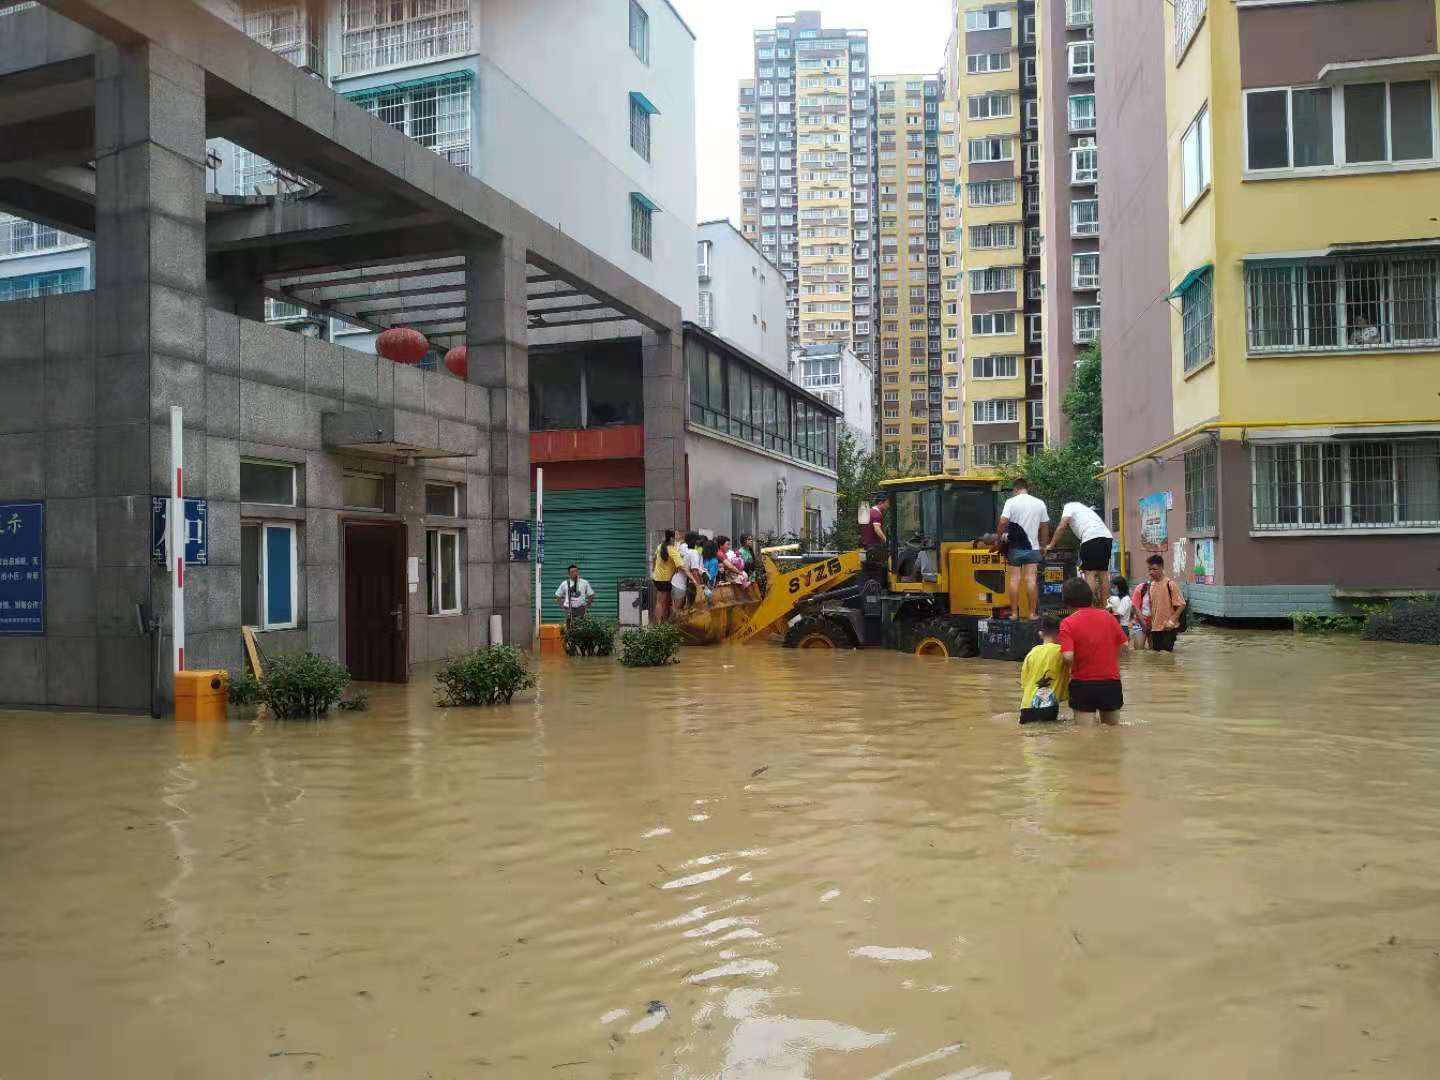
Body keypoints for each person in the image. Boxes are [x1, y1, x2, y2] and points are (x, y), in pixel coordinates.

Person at [1058, 577, 1129, 725]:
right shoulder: (1108, 617)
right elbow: (1125, 645)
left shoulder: (1067, 623)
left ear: (1066, 601)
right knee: (1112, 734)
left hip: (1083, 685)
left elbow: (1068, 656)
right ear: (1090, 597)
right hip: (1111, 683)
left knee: (1085, 738)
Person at [996, 477, 1049, 620]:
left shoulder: (1011, 502)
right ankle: (1032, 613)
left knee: (1014, 579)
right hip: (1033, 548)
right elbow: (1044, 527)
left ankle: (1014, 613)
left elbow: (1003, 522)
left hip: (1016, 548)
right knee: (1031, 580)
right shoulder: (1039, 503)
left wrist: (998, 538)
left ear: (1015, 489)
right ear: (1027, 488)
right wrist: (1043, 545)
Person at [1045, 500, 1113, 605]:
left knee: (1090, 573)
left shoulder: (1069, 506)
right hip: (1107, 537)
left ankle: (1090, 607)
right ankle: (1104, 607)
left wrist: (1051, 545)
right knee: (1103, 573)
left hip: (1091, 537)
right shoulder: (1085, 509)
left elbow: (1062, 526)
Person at [1019, 615, 1069, 724]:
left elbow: (1024, 683)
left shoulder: (1031, 653)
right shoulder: (1061, 652)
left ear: (1040, 633)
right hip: (1047, 705)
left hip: (1026, 707)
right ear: (1061, 633)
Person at [1140, 554, 1186, 652]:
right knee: (1157, 657)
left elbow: (1182, 604)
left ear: (1161, 568)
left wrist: (1172, 621)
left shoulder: (1170, 584)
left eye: (1154, 569)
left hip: (1168, 628)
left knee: (1166, 655)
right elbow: (1153, 607)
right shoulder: (1151, 586)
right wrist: (1149, 624)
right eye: (1149, 569)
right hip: (1155, 628)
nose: (1151, 572)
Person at [651, 529, 680, 624]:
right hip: (664, 579)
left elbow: (654, 559)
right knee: (660, 602)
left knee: (663, 601)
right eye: (677, 534)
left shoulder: (660, 546)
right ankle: (658, 624)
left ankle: (662, 622)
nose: (679, 535)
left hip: (658, 578)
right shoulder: (671, 549)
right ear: (672, 537)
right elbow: (679, 565)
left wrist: (653, 570)